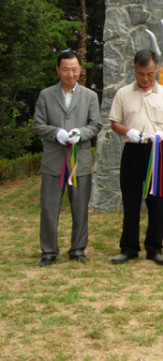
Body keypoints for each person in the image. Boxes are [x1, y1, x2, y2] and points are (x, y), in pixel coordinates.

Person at [32, 50, 102, 266]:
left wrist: (81, 133)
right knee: (49, 208)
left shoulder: (90, 96)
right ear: (58, 70)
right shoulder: (46, 95)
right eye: (66, 70)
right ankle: (48, 250)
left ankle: (78, 249)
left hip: (79, 161)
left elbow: (96, 124)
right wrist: (57, 133)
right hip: (54, 160)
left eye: (74, 69)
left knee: (80, 208)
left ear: (80, 70)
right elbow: (38, 125)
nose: (70, 74)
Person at [109, 50, 163, 265]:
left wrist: (162, 135)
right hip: (132, 150)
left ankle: (155, 248)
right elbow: (114, 122)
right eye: (141, 74)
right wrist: (127, 131)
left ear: (156, 70)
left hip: (156, 150)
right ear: (134, 70)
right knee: (130, 200)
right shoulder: (123, 93)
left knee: (156, 201)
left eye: (150, 73)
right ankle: (129, 248)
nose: (146, 78)